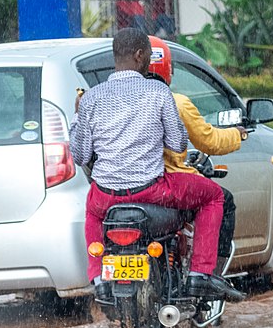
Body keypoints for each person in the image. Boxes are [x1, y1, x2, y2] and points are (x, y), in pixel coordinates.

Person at [71, 27, 242, 303]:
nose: (151, 63)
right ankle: (200, 273)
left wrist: (76, 120)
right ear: (139, 56)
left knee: (91, 211)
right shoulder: (158, 92)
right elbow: (177, 144)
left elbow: (80, 155)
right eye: (149, 56)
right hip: (151, 191)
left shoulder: (90, 98)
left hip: (105, 196)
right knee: (214, 196)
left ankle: (99, 278)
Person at [145, 35, 245, 271]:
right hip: (167, 182)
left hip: (121, 186)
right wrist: (237, 134)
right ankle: (208, 274)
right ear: (167, 69)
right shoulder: (175, 102)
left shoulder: (113, 99)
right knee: (222, 199)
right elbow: (208, 141)